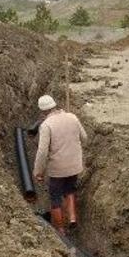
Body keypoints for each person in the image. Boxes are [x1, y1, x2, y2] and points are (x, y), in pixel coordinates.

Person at [33, 94, 87, 235]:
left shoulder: (46, 125)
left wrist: (38, 171)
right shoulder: (72, 117)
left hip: (58, 169)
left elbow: (42, 152)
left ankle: (60, 229)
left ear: (43, 111)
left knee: (55, 196)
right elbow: (84, 137)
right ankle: (72, 218)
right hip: (74, 165)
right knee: (70, 189)